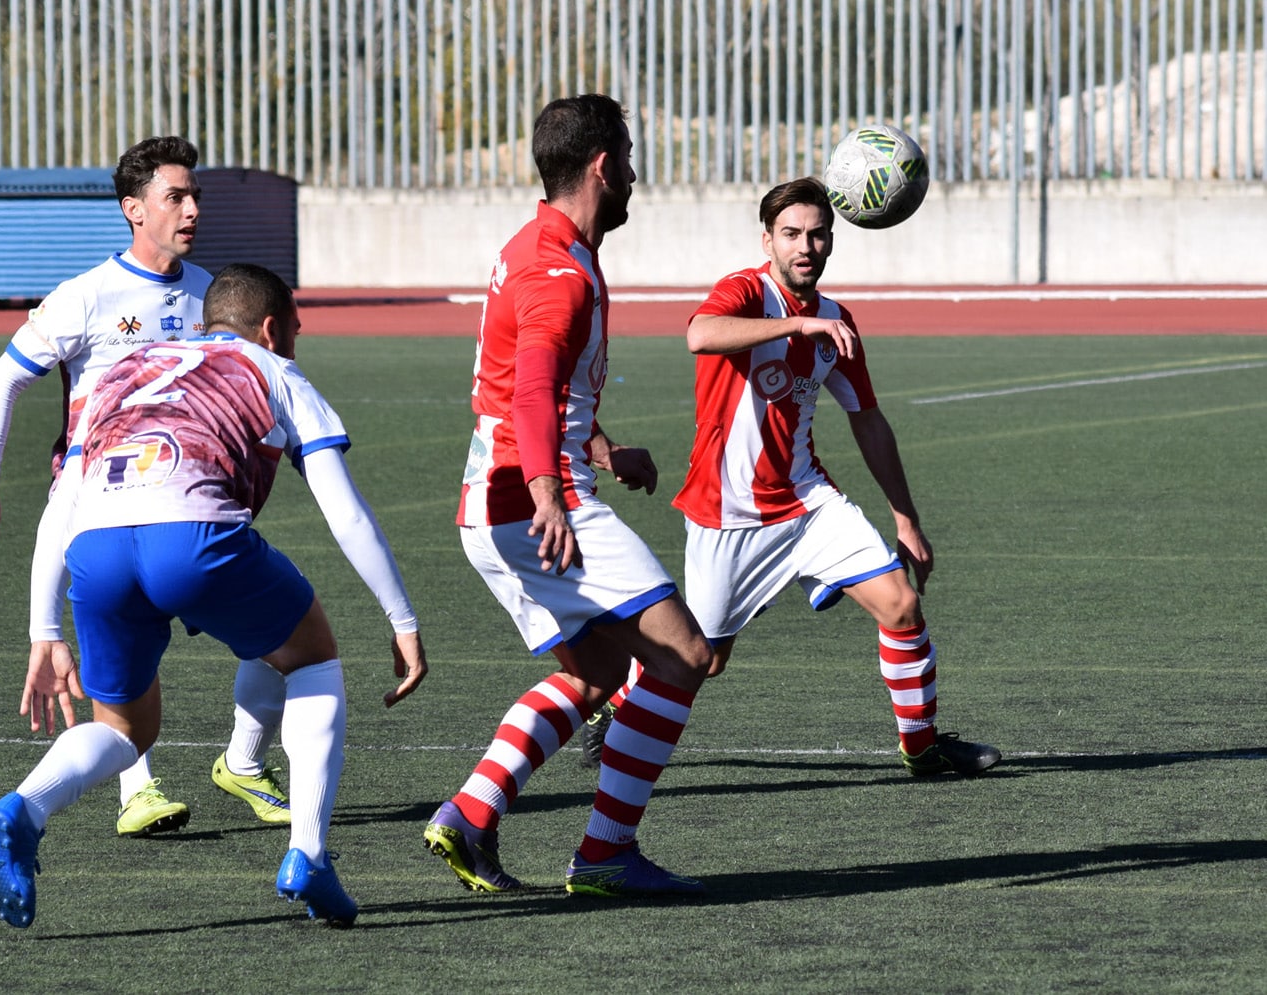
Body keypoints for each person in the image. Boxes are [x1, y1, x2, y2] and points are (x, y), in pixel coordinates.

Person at [0, 262, 429, 930]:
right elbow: (346, 513)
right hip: (192, 537)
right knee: (310, 655)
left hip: (96, 550)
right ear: (273, 328)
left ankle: (25, 805)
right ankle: (307, 850)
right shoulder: (275, 370)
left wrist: (43, 628)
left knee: (124, 727)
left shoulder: (121, 374)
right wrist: (402, 616)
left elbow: (62, 505)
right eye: (296, 332)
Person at [0, 136, 293, 837]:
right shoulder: (87, 296)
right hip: (97, 501)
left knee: (279, 640)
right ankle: (136, 789)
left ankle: (244, 760)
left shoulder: (210, 296)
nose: (192, 207)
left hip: (191, 501)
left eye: (195, 194)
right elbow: (3, 379)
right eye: (177, 195)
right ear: (134, 209)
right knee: (133, 658)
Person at [422, 94, 714, 899]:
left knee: (596, 669)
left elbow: (530, 391)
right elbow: (529, 392)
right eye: (626, 155)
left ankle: (469, 814)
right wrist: (553, 494)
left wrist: (600, 446)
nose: (633, 172)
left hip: (502, 498)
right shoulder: (558, 269)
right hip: (530, 503)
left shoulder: (541, 247)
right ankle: (606, 852)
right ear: (600, 165)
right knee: (686, 654)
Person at [658, 176, 1000, 775]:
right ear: (767, 241)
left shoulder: (838, 320)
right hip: (728, 513)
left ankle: (922, 749)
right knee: (704, 661)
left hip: (808, 502)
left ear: (833, 242)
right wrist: (796, 326)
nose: (805, 247)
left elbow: (868, 420)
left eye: (818, 235)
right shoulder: (743, 290)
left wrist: (905, 517)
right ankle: (618, 698)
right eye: (791, 234)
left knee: (900, 604)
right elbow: (699, 334)